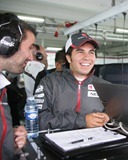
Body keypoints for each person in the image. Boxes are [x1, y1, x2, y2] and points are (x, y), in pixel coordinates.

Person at [34, 32, 110, 130]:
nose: (87, 57)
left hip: (96, 143)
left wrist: (110, 118)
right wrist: (82, 121)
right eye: (80, 51)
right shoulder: (49, 83)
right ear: (69, 58)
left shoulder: (106, 86)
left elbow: (119, 120)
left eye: (91, 52)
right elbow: (38, 120)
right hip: (57, 143)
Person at [0, 12, 37, 160]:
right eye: (29, 48)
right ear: (7, 44)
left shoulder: (2, 88)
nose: (31, 57)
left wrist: (8, 137)